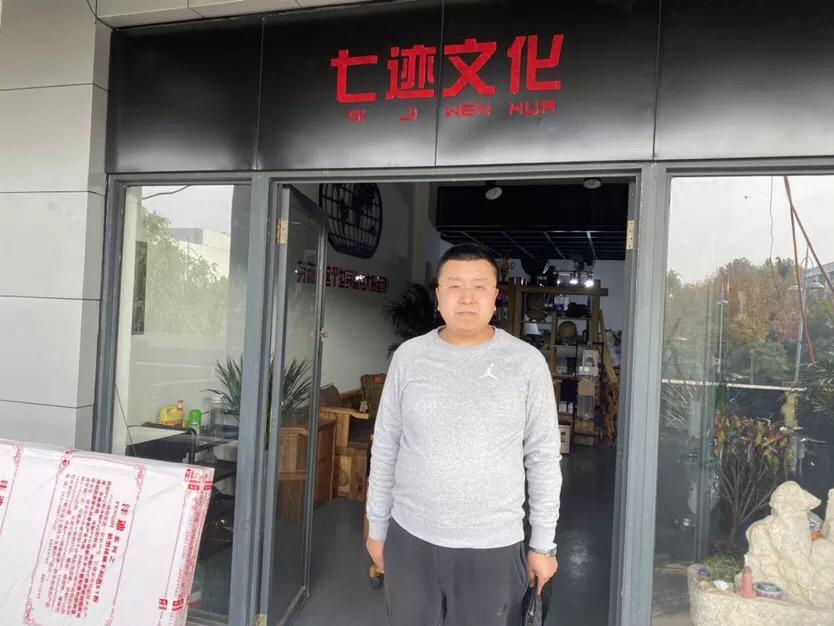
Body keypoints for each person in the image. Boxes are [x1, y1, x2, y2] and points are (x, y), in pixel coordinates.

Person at [366, 243, 563, 626]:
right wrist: (377, 527)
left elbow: (543, 456)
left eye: (479, 286)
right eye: (455, 286)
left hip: (493, 546)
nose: (467, 298)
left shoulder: (526, 363)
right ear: (438, 295)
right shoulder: (409, 357)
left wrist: (543, 543)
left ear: (495, 296)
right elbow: (386, 445)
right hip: (410, 538)